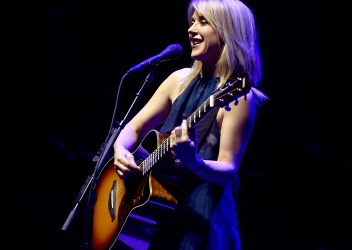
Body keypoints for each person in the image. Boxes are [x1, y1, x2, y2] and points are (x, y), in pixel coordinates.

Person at [113, 0, 268, 249]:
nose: (191, 29)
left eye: (203, 22)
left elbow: (229, 168)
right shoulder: (178, 80)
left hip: (203, 216)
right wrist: (120, 151)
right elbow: (131, 129)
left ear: (228, 31)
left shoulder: (238, 96)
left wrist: (193, 162)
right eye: (192, 21)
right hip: (159, 209)